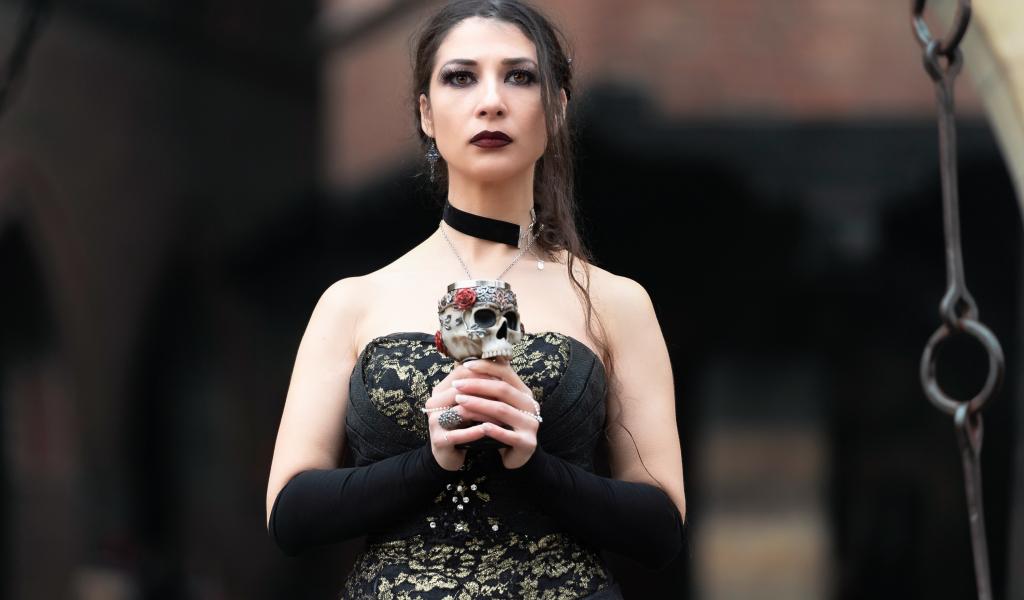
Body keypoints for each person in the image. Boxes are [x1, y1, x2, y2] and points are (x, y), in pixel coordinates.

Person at [265, 1, 686, 597]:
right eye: (461, 77)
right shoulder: (354, 302)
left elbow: (660, 529)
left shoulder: (615, 302)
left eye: (520, 76)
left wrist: (533, 462)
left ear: (558, 109)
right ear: (426, 113)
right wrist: (430, 458)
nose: (491, 101)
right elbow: (290, 515)